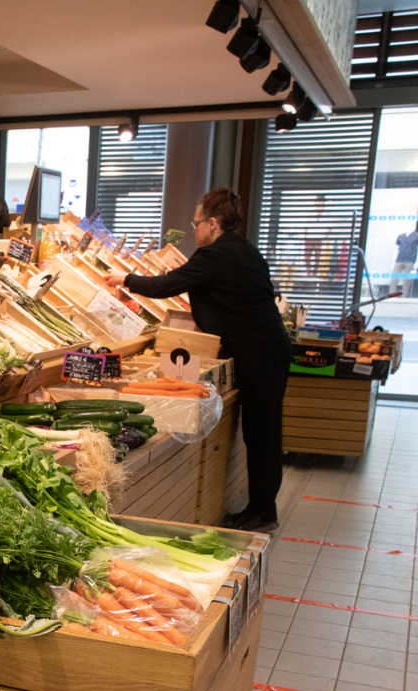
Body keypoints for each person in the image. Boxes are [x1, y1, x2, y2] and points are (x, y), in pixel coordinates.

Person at [104, 188, 292, 532]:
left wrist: (125, 279)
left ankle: (264, 511)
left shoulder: (215, 255)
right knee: (262, 430)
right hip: (266, 346)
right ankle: (261, 506)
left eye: (196, 224)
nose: (194, 230)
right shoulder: (242, 249)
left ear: (213, 224)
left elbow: (167, 285)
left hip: (260, 350)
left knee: (262, 432)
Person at [391, 228, 418, 293]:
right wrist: (393, 261)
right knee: (394, 279)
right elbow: (396, 249)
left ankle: (404, 296)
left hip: (410, 261)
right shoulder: (400, 236)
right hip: (399, 260)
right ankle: (392, 295)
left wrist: (417, 262)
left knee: (406, 280)